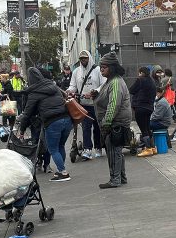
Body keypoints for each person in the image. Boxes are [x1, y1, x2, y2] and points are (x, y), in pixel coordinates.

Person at [16, 67, 73, 182]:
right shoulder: (53, 86)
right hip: (67, 119)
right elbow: (65, 97)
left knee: (53, 149)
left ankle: (63, 172)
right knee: (60, 146)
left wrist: (21, 128)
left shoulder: (34, 92)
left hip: (53, 122)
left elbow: (27, 113)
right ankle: (61, 170)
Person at [95, 52, 132, 188]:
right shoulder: (111, 81)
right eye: (100, 67)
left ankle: (115, 180)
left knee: (114, 152)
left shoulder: (115, 82)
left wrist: (106, 123)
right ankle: (121, 177)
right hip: (115, 122)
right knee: (116, 151)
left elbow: (114, 104)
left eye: (104, 67)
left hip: (116, 123)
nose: (101, 69)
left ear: (112, 67)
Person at [67, 50, 106, 160]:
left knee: (98, 127)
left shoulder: (98, 70)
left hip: (97, 104)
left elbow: (104, 84)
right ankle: (87, 149)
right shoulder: (76, 72)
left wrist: (94, 92)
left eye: (85, 58)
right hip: (83, 104)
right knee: (86, 127)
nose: (83, 60)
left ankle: (98, 147)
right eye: (81, 59)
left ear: (89, 58)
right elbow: (73, 85)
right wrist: (69, 91)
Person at [130, 66, 157, 155]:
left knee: (143, 129)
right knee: (147, 127)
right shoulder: (152, 82)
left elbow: (132, 90)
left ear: (141, 73)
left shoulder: (140, 80)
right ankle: (153, 148)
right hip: (149, 108)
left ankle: (148, 149)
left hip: (140, 107)